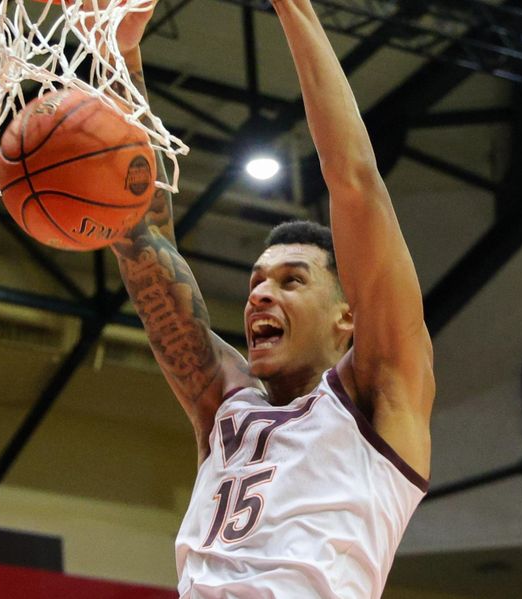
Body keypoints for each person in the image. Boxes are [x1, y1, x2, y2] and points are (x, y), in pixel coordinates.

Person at [109, 1, 435, 597]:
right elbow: (140, 235)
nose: (260, 293)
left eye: (292, 280)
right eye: (257, 280)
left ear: (348, 316)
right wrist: (122, 55)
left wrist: (294, 8)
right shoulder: (227, 408)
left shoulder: (380, 393)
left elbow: (355, 181)